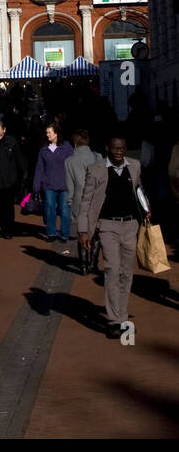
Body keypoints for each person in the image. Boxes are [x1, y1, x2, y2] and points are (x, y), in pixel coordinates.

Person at [78, 136, 148, 338]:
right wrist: (84, 230)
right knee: (112, 269)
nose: (119, 152)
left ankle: (122, 314)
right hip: (107, 226)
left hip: (130, 225)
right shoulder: (96, 169)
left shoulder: (134, 166)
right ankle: (115, 319)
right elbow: (86, 202)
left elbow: (139, 190)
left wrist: (146, 208)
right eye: (116, 148)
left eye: (123, 149)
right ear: (108, 148)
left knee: (126, 273)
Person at [65, 130, 102, 275]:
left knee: (82, 233)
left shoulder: (69, 161)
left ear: (75, 143)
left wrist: (69, 203)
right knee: (97, 233)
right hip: (97, 200)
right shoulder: (98, 157)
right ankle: (93, 261)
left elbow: (70, 187)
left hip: (79, 201)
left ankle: (83, 265)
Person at [31, 122, 73, 249]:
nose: (47, 135)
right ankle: (51, 232)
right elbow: (39, 168)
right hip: (49, 184)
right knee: (50, 207)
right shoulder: (44, 150)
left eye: (50, 132)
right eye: (47, 132)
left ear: (56, 133)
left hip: (64, 184)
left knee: (65, 210)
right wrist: (36, 185)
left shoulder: (67, 148)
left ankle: (64, 234)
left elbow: (72, 165)